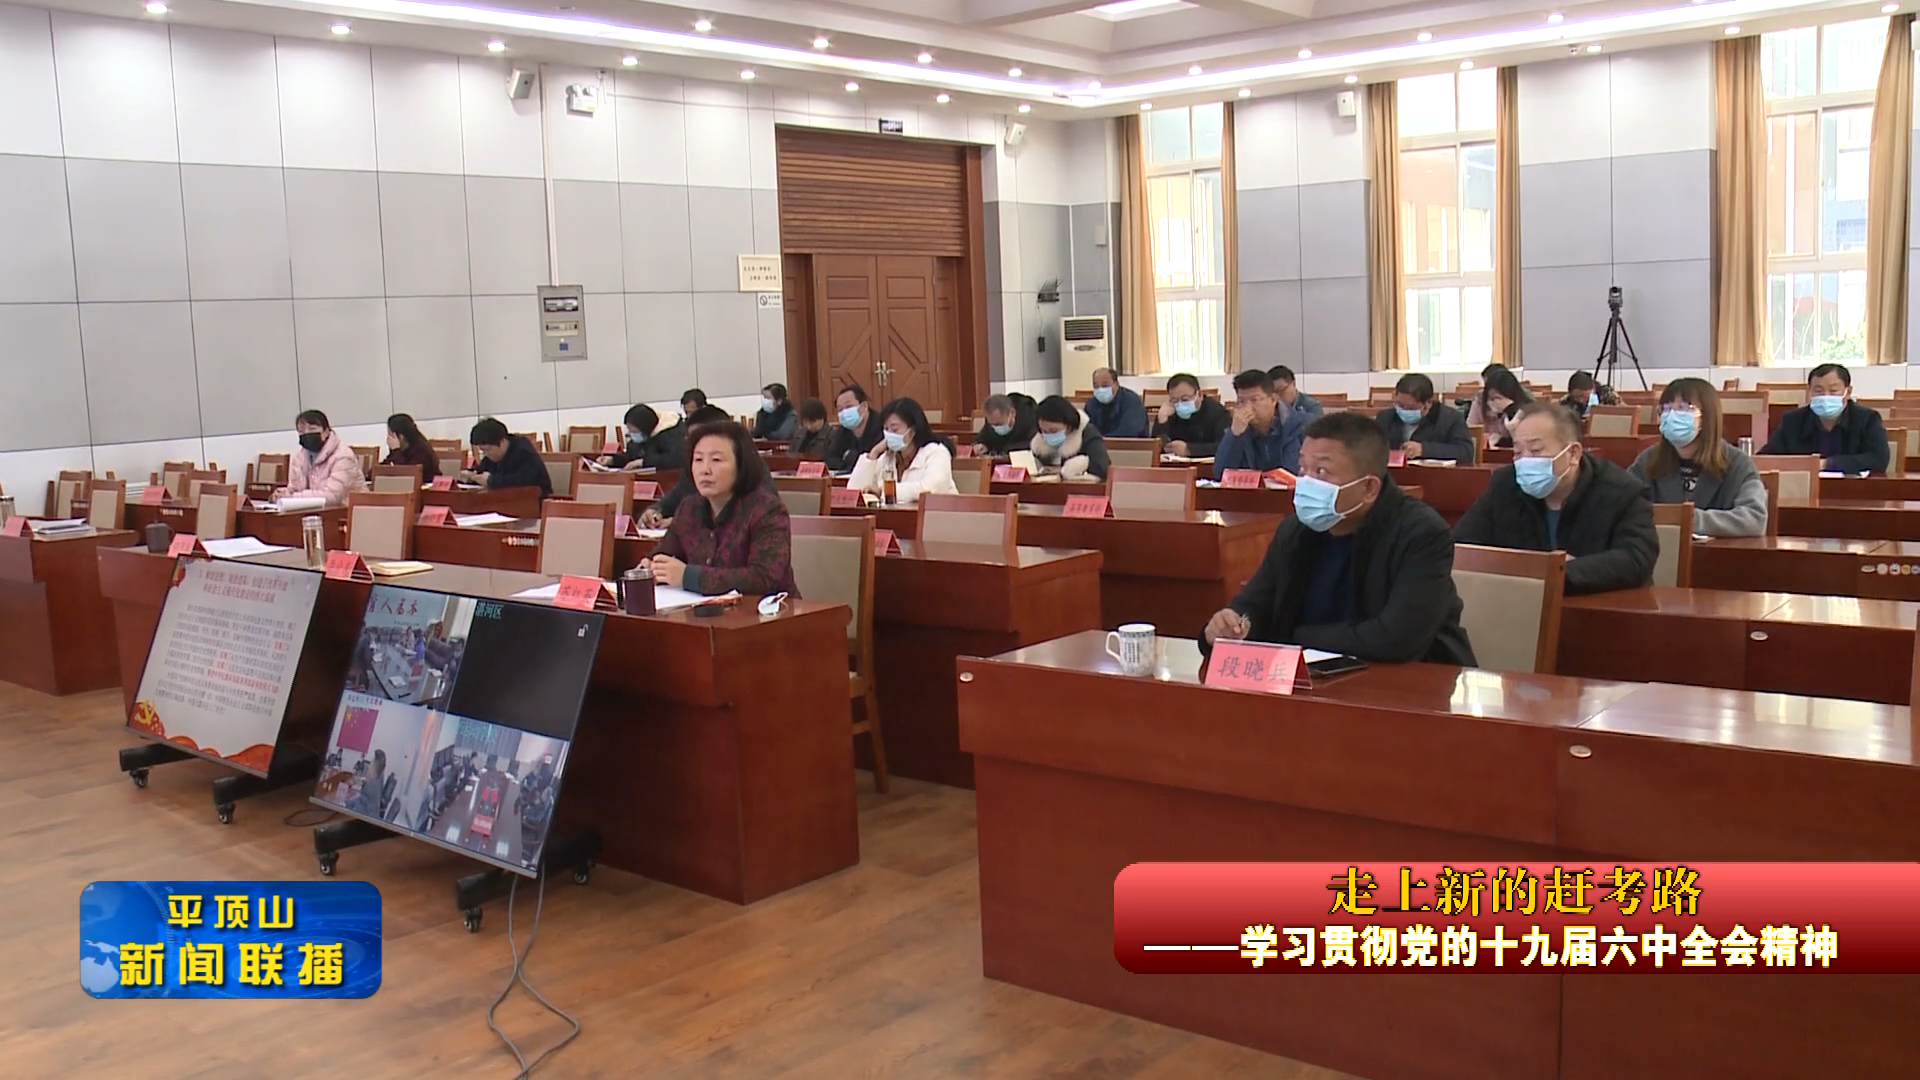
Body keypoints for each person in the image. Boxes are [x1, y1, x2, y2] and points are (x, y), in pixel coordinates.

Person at [1202, 412, 1475, 664]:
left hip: (1410, 683)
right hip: (1313, 678)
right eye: (1302, 468)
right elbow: (1256, 603)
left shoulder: (1422, 534)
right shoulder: (1295, 530)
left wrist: (1294, 637)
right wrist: (1229, 626)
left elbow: (1396, 639)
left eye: (1321, 471)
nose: (1306, 482)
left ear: (1369, 488)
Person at [1453, 401, 1657, 595]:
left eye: (1536, 450)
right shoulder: (1505, 484)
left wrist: (1560, 572)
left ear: (1573, 454)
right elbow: (1461, 543)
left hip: (1593, 606)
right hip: (1519, 603)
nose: (1525, 461)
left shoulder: (1621, 491)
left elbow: (1636, 559)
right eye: (1517, 452)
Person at [650, 420, 800, 597]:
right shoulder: (688, 508)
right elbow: (663, 553)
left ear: (741, 464)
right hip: (704, 610)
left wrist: (687, 576)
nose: (705, 470)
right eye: (698, 459)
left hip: (770, 611)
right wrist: (650, 565)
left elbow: (762, 579)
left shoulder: (767, 510)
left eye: (716, 460)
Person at [1629, 377, 1767, 538]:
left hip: (1716, 552)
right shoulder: (1648, 460)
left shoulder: (1738, 463)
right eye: (1666, 408)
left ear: (1706, 416)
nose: (1671, 415)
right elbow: (1620, 505)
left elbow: (1754, 519)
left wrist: (1688, 519)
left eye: (1682, 408)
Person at [1759, 362, 1890, 474]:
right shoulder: (1793, 421)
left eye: (1833, 391)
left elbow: (1878, 459)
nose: (1826, 396)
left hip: (1853, 489)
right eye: (1818, 391)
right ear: (1809, 391)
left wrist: (1826, 464)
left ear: (1848, 392)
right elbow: (1766, 458)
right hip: (1803, 489)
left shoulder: (1867, 419)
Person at [848, 398, 958, 505]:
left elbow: (930, 489)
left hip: (939, 515)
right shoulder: (889, 456)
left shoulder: (937, 453)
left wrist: (885, 490)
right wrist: (873, 454)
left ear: (913, 431)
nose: (889, 435)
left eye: (895, 429)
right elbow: (854, 491)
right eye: (886, 429)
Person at [640, 406, 730, 527]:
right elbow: (671, 501)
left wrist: (679, 522)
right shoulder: (691, 469)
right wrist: (654, 511)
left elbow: (726, 516)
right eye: (690, 438)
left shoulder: (742, 477)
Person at [1214, 368, 1307, 478]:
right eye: (1241, 401)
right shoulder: (1239, 430)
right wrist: (1234, 435)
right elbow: (1220, 475)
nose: (1247, 407)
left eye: (1255, 400)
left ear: (1273, 399)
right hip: (1253, 489)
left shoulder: (1300, 425)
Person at [1377, 373, 1474, 462]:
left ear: (1428, 403)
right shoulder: (1385, 417)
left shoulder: (1450, 418)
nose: (1404, 410)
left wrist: (1424, 449)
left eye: (1411, 408)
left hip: (1434, 474)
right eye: (1400, 405)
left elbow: (1465, 452)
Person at [280, 409, 367, 507]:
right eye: (301, 431)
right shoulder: (299, 457)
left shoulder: (343, 456)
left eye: (312, 429)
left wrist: (293, 497)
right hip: (314, 510)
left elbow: (332, 497)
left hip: (347, 510)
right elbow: (293, 489)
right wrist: (282, 494)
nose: (307, 433)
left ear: (326, 432)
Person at [462, 418, 551, 496]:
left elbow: (524, 479)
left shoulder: (523, 451)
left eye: (487, 450)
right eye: (483, 451)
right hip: (506, 500)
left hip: (535, 500)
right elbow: (482, 469)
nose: (486, 454)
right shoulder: (492, 456)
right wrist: (471, 475)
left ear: (501, 441)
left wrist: (491, 481)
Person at [1030, 395, 1111, 479]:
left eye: (1053, 431)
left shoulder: (1087, 433)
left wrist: (1064, 470)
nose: (1048, 435)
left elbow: (1102, 468)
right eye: (1044, 431)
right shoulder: (1040, 442)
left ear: (1069, 426)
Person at [1153, 373, 1231, 458]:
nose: (1180, 404)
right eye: (1174, 400)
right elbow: (1154, 447)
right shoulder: (1169, 411)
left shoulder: (1218, 413)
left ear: (1200, 395)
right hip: (1174, 464)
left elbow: (1225, 446)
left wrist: (1189, 450)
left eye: (1185, 399)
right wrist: (1162, 421)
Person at [826, 383, 885, 472]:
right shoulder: (843, 430)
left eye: (849, 406)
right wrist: (847, 464)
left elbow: (876, 461)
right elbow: (829, 459)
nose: (844, 412)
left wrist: (849, 458)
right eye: (840, 409)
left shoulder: (881, 426)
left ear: (864, 406)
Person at [1469, 367, 1532, 448]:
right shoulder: (1480, 403)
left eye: (1497, 398)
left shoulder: (1525, 408)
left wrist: (1510, 409)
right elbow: (1470, 431)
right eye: (1490, 398)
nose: (1493, 402)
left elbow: (1525, 439)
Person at [1084, 367, 1150, 437]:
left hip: (1129, 443)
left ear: (1116, 384)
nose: (1100, 389)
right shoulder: (1092, 404)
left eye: (1105, 385)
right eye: (1096, 386)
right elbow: (1085, 429)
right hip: (1098, 442)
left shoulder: (1132, 401)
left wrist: (1101, 440)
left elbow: (1130, 431)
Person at [603, 403, 669, 471]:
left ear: (644, 428)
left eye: (633, 431)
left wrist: (642, 462)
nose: (629, 433)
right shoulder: (635, 443)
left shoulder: (666, 437)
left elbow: (670, 459)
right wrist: (612, 460)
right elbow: (630, 458)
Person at [382, 413, 439, 482]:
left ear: (401, 437)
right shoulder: (401, 451)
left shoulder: (421, 451)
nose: (388, 439)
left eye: (390, 435)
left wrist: (396, 450)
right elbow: (378, 471)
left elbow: (407, 476)